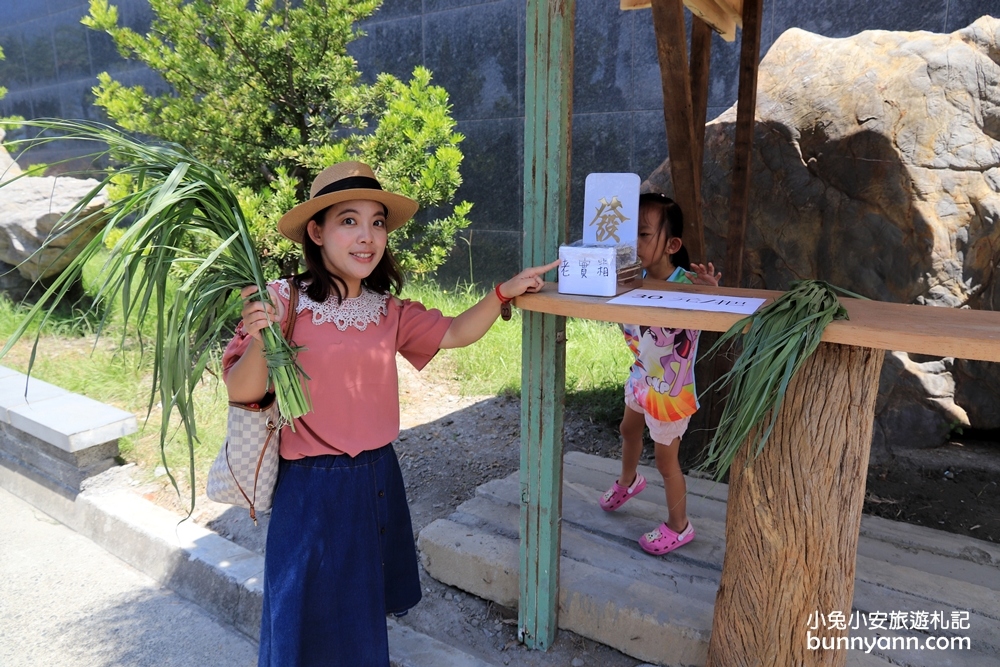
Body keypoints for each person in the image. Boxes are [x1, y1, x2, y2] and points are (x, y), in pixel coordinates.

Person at [222, 161, 559, 667]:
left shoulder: (387, 310)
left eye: (377, 222)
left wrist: (501, 294)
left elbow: (453, 332)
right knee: (307, 617)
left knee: (360, 615)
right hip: (313, 489)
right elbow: (240, 390)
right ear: (316, 231)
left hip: (378, 476)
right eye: (349, 221)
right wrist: (260, 337)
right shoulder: (282, 301)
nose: (367, 236)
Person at [598, 192, 721, 556]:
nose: (632, 244)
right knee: (628, 430)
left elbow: (716, 313)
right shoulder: (630, 279)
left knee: (668, 463)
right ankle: (629, 480)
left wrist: (712, 293)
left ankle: (679, 526)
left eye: (643, 235)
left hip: (670, 392)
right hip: (641, 377)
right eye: (627, 234)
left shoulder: (688, 287)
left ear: (672, 245)